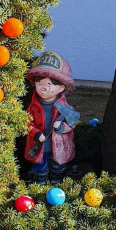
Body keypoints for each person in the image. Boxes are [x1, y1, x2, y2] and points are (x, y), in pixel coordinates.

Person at [24, 51, 79, 184]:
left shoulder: (64, 108)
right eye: (39, 83)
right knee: (40, 169)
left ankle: (56, 183)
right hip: (39, 147)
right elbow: (26, 122)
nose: (44, 88)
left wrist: (61, 127)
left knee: (57, 168)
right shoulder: (32, 107)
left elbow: (72, 123)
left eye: (49, 85)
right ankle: (39, 185)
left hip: (59, 148)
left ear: (61, 88)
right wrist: (36, 134)